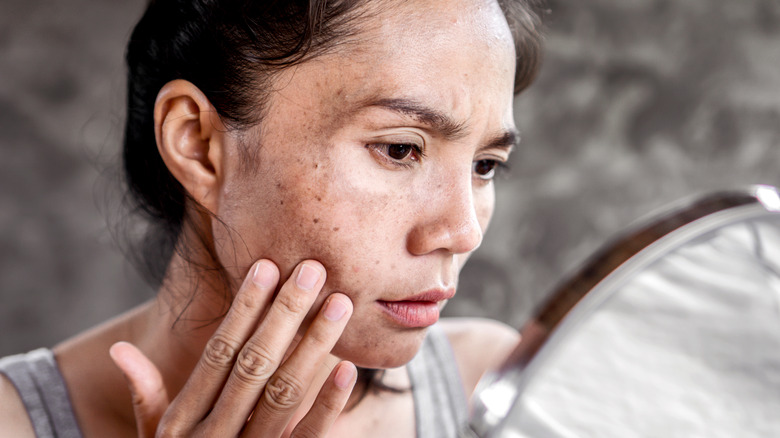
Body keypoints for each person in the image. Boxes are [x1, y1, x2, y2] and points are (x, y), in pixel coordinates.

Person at [0, 0, 543, 436]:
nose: (463, 231)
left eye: (485, 164)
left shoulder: (498, 394)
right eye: (400, 149)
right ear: (199, 146)